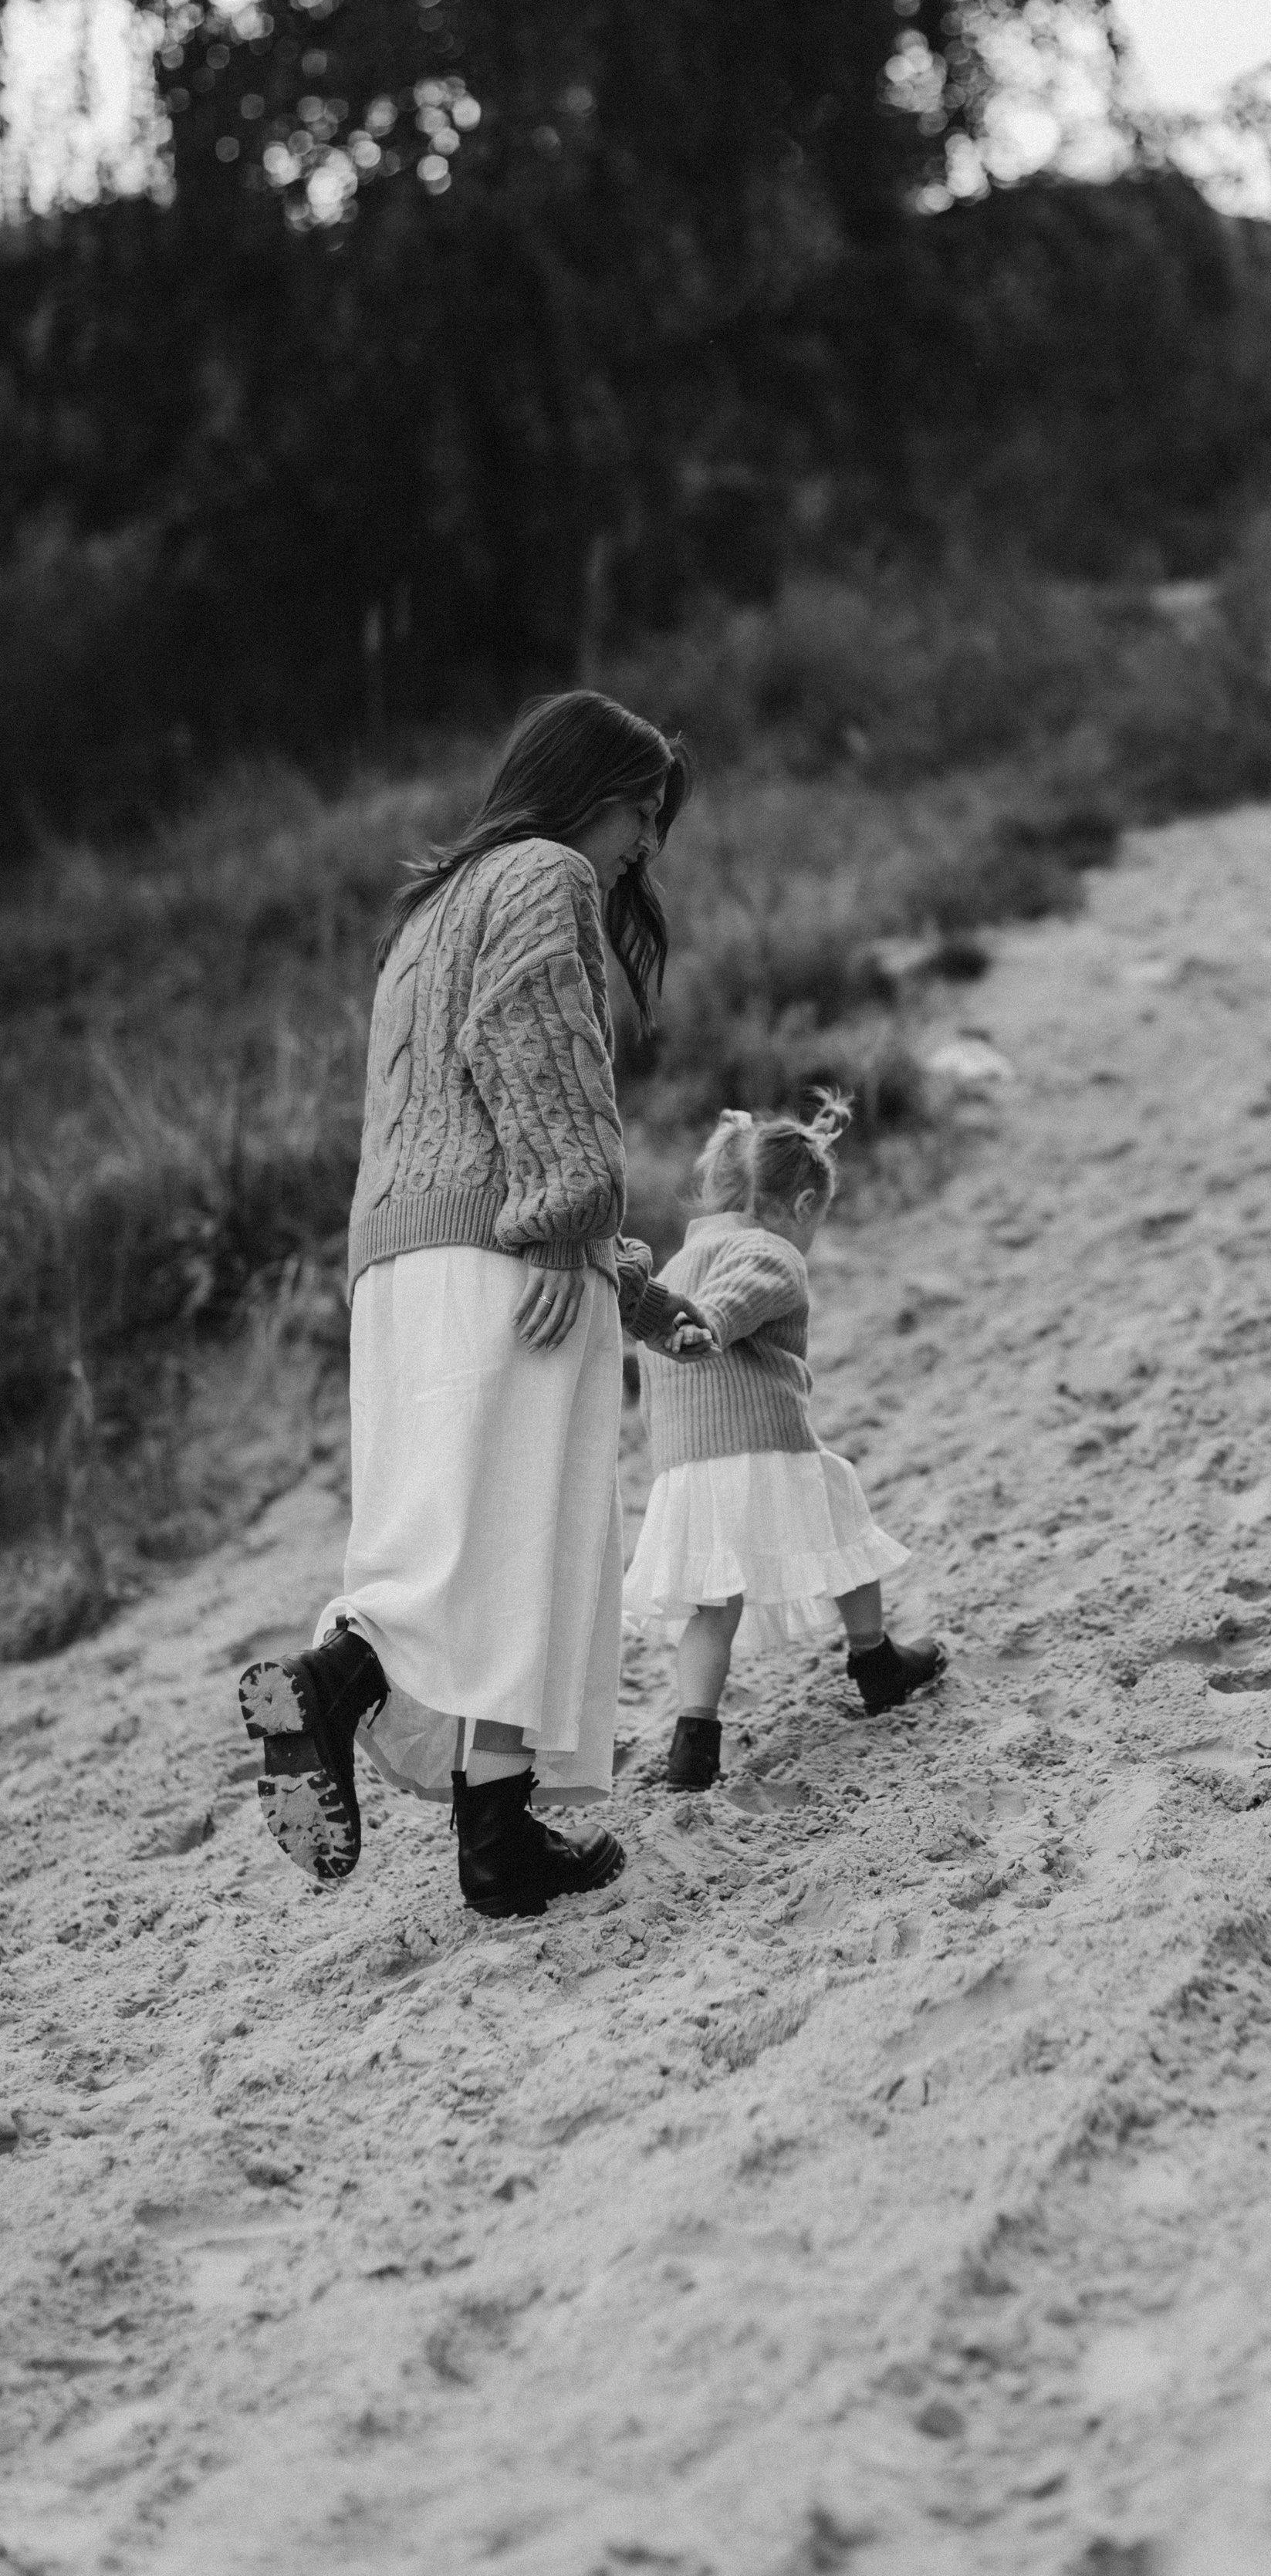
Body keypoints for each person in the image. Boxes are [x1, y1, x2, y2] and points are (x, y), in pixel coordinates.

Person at [238, 689, 707, 1919]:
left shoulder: (430, 909)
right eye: (639, 813)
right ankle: (339, 1682)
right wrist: (566, 1220)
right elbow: (534, 1042)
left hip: (399, 1263)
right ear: (582, 791)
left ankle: (497, 1842)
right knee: (525, 1532)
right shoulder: (544, 870)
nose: (641, 846)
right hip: (507, 1244)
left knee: (476, 1533)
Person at [623, 1094, 945, 1790]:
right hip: (763, 1445)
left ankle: (694, 1740)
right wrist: (707, 1321)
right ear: (801, 1205)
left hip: (685, 1467)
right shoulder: (770, 1251)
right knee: (844, 1524)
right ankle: (875, 1661)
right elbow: (738, 1299)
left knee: (712, 1607)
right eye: (817, 1222)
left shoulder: (672, 1270)